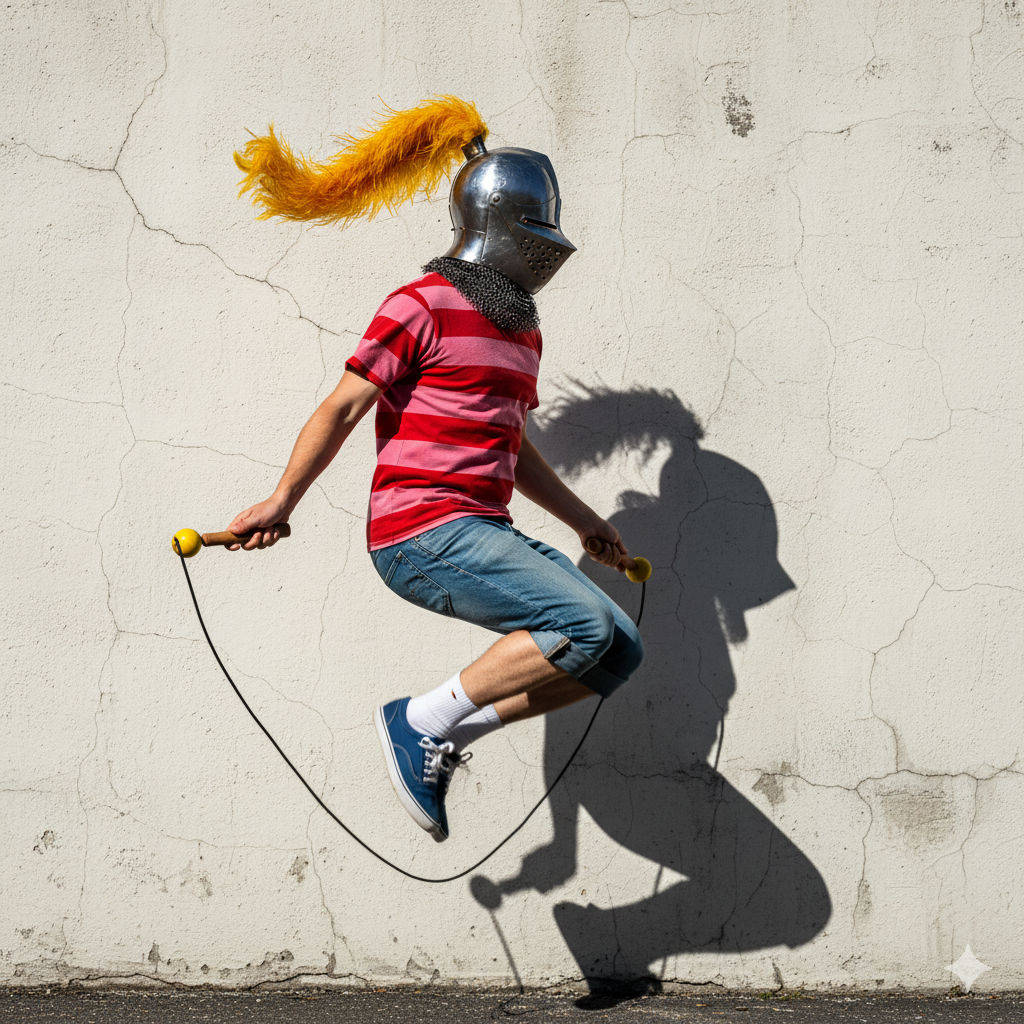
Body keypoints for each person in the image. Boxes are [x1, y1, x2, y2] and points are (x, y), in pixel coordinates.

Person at [226, 101, 644, 841]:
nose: (545, 251)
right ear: (499, 226)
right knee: (578, 624)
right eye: (535, 232)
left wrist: (584, 521)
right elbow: (343, 408)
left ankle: (443, 737)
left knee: (615, 649)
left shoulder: (524, 331)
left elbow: (510, 447)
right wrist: (282, 498)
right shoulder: (421, 303)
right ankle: (419, 720)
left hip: (483, 526)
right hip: (421, 531)